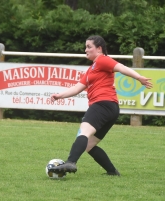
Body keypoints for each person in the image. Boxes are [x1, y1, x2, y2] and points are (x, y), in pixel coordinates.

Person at [48, 35, 153, 176]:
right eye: (85, 47)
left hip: (102, 104)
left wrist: (139, 77)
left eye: (89, 47)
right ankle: (112, 172)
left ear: (99, 49)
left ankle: (71, 162)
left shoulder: (102, 60)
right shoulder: (91, 69)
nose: (86, 50)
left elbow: (120, 67)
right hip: (111, 108)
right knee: (89, 145)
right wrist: (60, 95)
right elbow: (78, 87)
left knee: (84, 131)